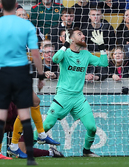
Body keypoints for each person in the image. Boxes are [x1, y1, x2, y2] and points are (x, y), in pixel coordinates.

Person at [37, 28, 108, 157]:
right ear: (72, 39)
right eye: (79, 34)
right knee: (47, 125)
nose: (83, 36)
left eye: (83, 33)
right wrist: (65, 44)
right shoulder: (65, 53)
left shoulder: (86, 55)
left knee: (92, 128)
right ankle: (21, 145)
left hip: (78, 97)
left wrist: (101, 46)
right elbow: (55, 59)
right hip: (63, 96)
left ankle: (86, 151)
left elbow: (104, 63)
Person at [0, 0, 46, 166]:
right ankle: (30, 157)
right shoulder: (27, 26)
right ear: (16, 5)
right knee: (24, 115)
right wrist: (41, 75)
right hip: (21, 73)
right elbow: (36, 54)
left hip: (1, 72)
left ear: (0, 6)